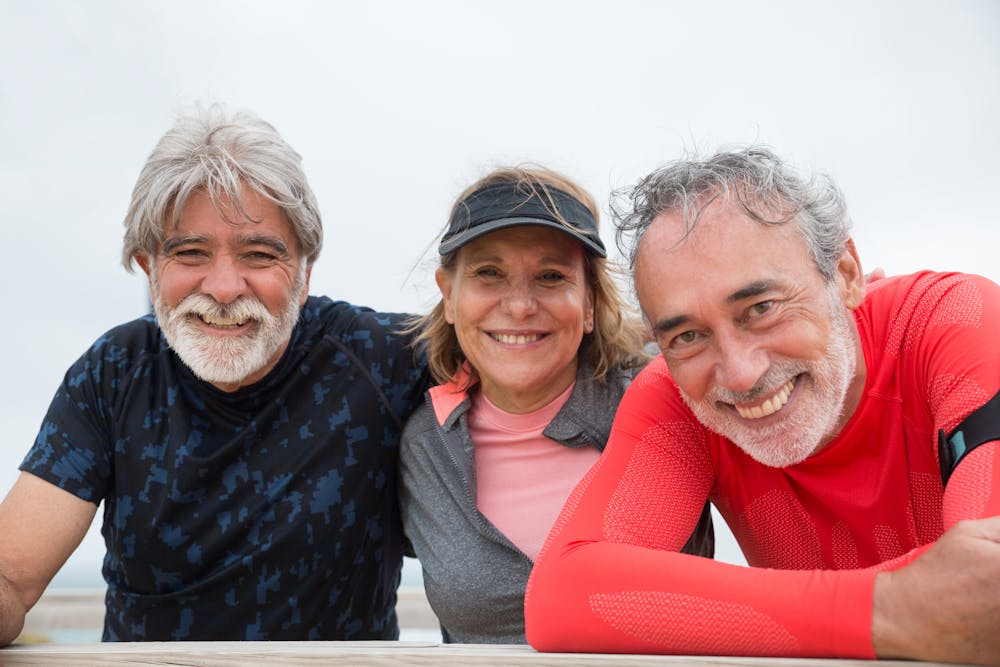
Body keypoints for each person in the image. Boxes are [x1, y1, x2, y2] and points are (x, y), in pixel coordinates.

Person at [525, 147, 1000, 665]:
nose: (741, 374)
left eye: (762, 308)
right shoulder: (676, 395)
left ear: (844, 274)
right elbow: (560, 596)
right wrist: (888, 608)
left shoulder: (956, 320)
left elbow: (986, 586)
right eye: (687, 336)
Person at [0, 106, 428, 644]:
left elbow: (513, 351)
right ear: (149, 269)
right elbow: (11, 579)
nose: (224, 287)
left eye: (259, 255)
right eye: (191, 253)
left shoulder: (384, 358)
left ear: (304, 274)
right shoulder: (114, 372)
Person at [398, 167, 715, 644]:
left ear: (589, 303)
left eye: (551, 276)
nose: (520, 306)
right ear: (449, 295)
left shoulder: (668, 403)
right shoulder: (424, 447)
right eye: (489, 274)